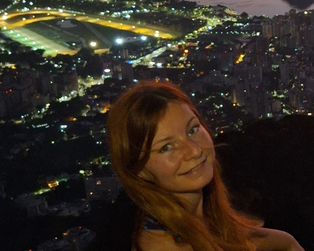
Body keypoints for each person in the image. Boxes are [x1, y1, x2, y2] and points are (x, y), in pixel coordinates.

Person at [106, 81, 303, 251]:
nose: (194, 150)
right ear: (139, 171)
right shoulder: (161, 245)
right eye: (166, 147)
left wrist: (286, 242)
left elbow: (235, 241)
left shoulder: (189, 220)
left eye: (192, 129)